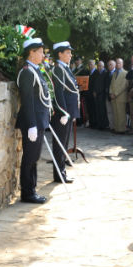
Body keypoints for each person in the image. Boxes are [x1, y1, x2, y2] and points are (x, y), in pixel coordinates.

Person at [16, 38, 52, 203]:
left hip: (38, 121)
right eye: (40, 51)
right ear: (31, 52)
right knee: (30, 158)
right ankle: (27, 193)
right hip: (33, 122)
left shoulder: (35, 70)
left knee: (34, 157)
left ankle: (32, 190)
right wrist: (31, 124)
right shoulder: (27, 72)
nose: (43, 54)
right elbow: (28, 100)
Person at [50, 41, 79, 183]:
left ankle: (61, 173)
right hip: (63, 114)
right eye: (67, 52)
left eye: (70, 52)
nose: (70, 55)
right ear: (60, 54)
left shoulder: (65, 68)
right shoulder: (58, 69)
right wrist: (63, 113)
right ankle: (59, 174)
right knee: (60, 145)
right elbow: (59, 93)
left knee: (64, 144)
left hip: (68, 113)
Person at [109, 57, 128, 134]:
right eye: (116, 63)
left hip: (121, 96)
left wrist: (115, 94)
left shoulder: (125, 73)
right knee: (115, 113)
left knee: (121, 114)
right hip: (113, 97)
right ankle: (116, 128)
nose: (117, 64)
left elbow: (124, 85)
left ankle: (122, 129)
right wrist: (110, 93)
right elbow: (111, 84)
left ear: (122, 64)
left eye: (119, 63)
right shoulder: (114, 73)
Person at [89, 60, 109, 129]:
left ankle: (103, 125)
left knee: (102, 111)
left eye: (100, 66)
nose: (99, 67)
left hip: (102, 94)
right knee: (97, 110)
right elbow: (95, 84)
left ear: (103, 66)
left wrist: (99, 92)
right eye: (98, 66)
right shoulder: (96, 73)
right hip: (96, 94)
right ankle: (99, 124)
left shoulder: (105, 73)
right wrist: (94, 91)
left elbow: (105, 85)